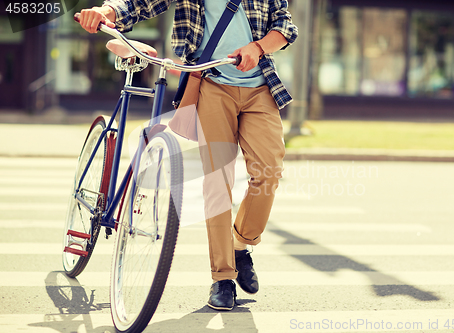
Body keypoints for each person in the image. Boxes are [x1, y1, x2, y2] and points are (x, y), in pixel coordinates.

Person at [78, 0, 298, 311]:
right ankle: (222, 278)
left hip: (260, 87)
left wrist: (259, 47)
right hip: (211, 84)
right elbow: (140, 3)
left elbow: (285, 26)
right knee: (216, 179)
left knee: (269, 172)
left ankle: (239, 244)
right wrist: (106, 12)